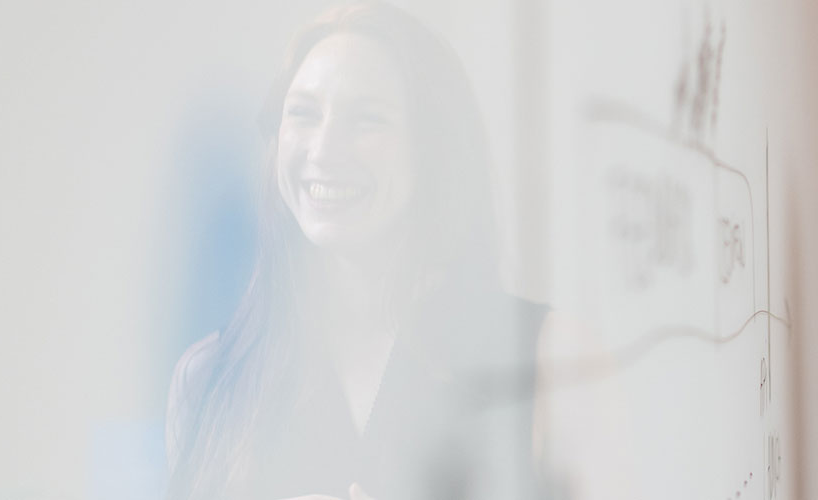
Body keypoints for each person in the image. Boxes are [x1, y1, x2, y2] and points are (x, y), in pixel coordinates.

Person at [164, 3, 548, 499]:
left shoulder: (548, 361)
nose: (324, 152)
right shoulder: (206, 382)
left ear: (436, 150)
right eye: (302, 113)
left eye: (368, 120)